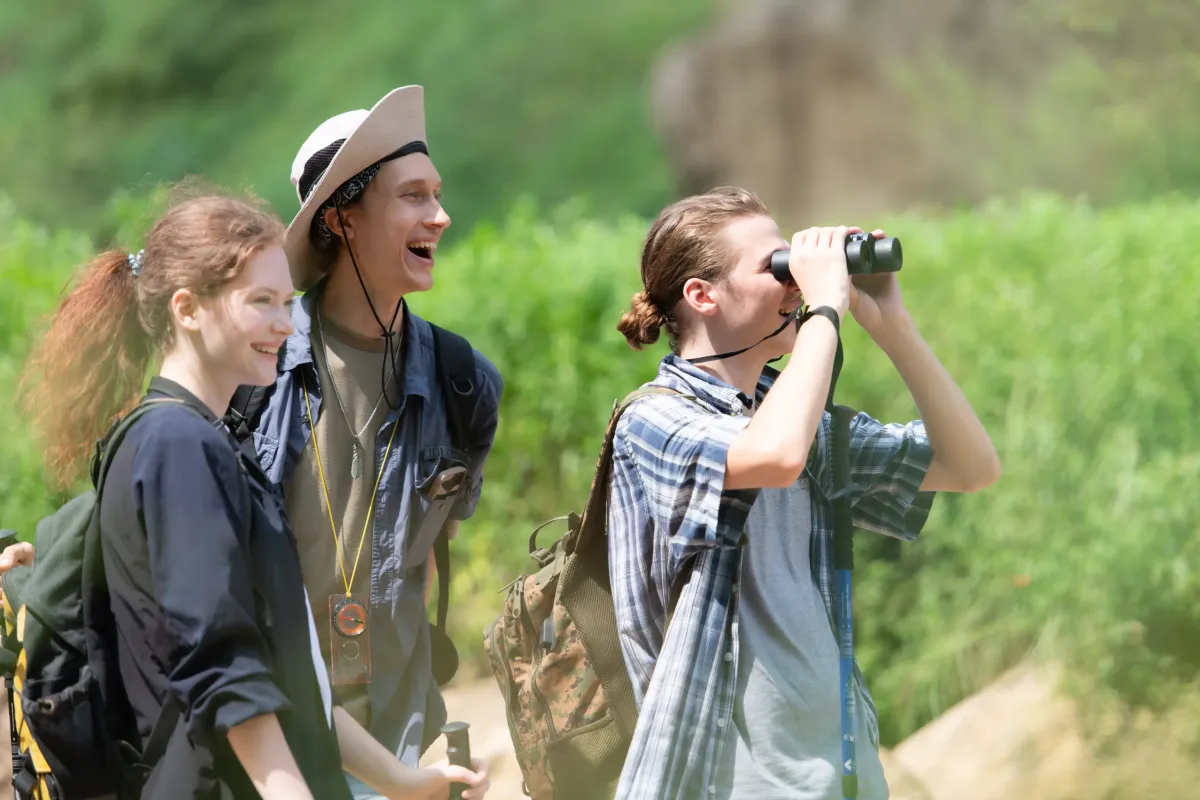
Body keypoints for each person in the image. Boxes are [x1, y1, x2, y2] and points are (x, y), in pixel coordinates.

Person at [16, 188, 488, 799]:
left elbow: (288, 671)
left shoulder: (203, 440)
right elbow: (223, 663)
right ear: (187, 310)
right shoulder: (179, 446)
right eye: (261, 302)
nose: (284, 324)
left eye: (288, 302)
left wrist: (401, 780)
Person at [608, 187, 1001, 799]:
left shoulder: (799, 418)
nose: (795, 284)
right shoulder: (652, 424)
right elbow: (776, 456)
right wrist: (824, 311)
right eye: (777, 268)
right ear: (702, 295)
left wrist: (893, 328)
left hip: (842, 777)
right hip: (725, 781)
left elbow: (970, 465)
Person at [224, 85, 502, 799]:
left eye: (437, 194)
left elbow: (426, 561)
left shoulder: (463, 381)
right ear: (343, 217)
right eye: (413, 196)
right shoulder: (255, 371)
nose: (440, 216)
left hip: (404, 740)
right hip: (277, 750)